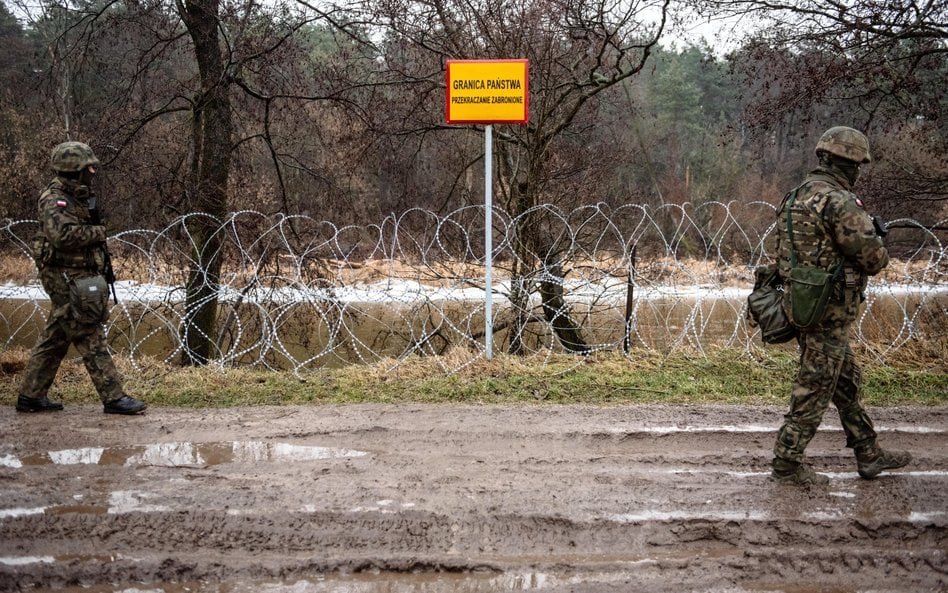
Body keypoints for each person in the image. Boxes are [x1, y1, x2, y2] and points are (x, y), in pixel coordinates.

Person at [770, 126, 911, 485]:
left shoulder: (795, 196)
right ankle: (786, 464)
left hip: (802, 303)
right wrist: (877, 240)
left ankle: (869, 451)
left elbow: (784, 254)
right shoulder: (838, 201)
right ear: (847, 163)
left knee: (844, 382)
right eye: (857, 164)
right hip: (831, 311)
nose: (859, 171)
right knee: (815, 385)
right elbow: (874, 259)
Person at [15, 141, 146, 415]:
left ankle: (31, 395)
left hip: (78, 274)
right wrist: (98, 232)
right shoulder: (55, 199)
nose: (93, 171)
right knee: (88, 332)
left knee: (57, 336)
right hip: (62, 275)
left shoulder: (80, 197)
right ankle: (113, 397)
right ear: (74, 169)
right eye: (89, 167)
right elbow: (61, 236)